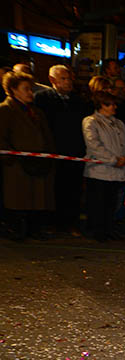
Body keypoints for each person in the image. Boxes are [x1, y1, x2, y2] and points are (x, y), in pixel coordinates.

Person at [33, 64, 89, 236]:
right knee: (53, 189)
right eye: (63, 78)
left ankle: (70, 223)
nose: (68, 82)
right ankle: (51, 223)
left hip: (74, 153)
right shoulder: (42, 99)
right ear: (52, 80)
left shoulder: (78, 101)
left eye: (69, 78)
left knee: (73, 189)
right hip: (53, 151)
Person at [0, 70, 55, 241]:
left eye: (31, 89)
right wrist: (11, 157)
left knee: (37, 198)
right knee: (18, 198)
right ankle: (15, 229)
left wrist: (48, 155)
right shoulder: (5, 109)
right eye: (26, 89)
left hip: (38, 162)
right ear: (13, 89)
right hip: (17, 164)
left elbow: (47, 135)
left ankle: (34, 229)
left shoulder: (37, 112)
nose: (30, 93)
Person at [82, 91, 125, 242]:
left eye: (114, 104)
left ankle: (109, 229)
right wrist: (113, 159)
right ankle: (98, 231)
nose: (113, 107)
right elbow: (94, 145)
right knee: (98, 203)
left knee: (112, 204)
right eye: (109, 104)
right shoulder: (91, 121)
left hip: (117, 171)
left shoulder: (119, 123)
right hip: (99, 171)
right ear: (100, 105)